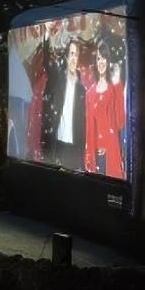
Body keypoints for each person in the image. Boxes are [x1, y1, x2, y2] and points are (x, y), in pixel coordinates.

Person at [40, 25, 87, 170]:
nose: (73, 58)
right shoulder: (58, 76)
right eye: (71, 54)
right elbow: (47, 63)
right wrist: (47, 34)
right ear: (66, 57)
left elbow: (82, 118)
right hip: (58, 141)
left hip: (74, 145)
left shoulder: (81, 87)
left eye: (76, 54)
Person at [84, 40, 126, 179]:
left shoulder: (114, 88)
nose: (101, 62)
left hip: (112, 153)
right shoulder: (89, 94)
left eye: (104, 58)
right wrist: (89, 156)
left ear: (108, 61)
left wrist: (118, 84)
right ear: (95, 62)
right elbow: (89, 128)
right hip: (96, 155)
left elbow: (120, 122)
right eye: (98, 58)